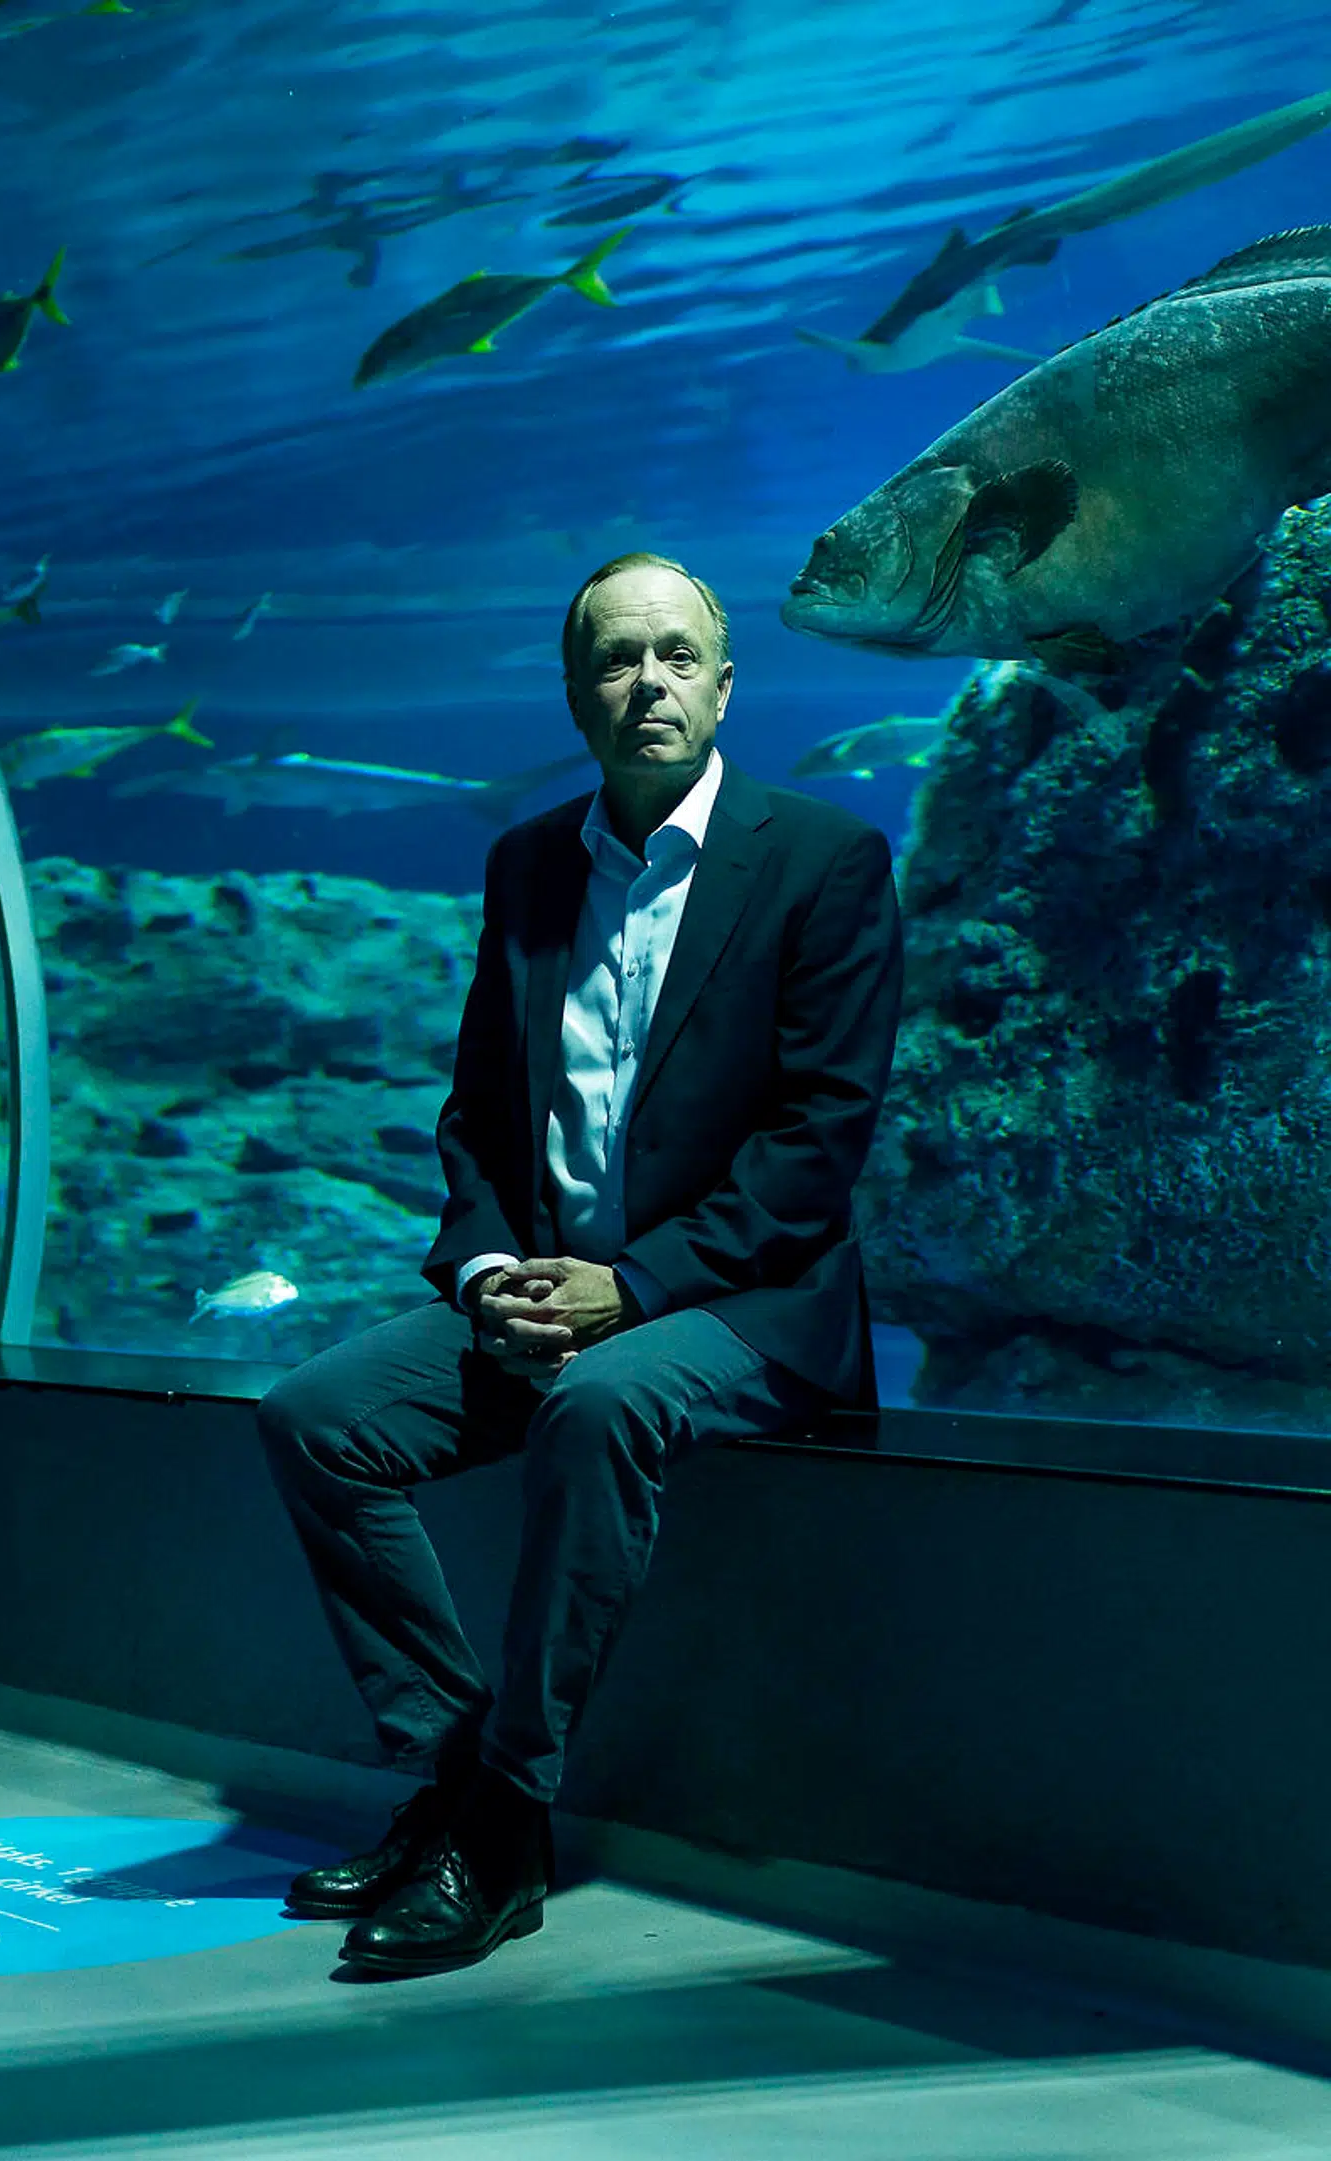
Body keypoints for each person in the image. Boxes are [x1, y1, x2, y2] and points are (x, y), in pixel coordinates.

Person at [256, 551, 904, 1980]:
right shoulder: (527, 862)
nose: (648, 682)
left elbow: (818, 1146)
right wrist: (490, 1274)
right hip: (547, 1294)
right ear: (573, 690)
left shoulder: (822, 863)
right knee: (317, 1421)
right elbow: (480, 1113)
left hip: (742, 1303)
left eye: (678, 655)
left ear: (727, 685)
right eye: (616, 657)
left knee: (601, 1406)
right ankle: (446, 1773)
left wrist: (635, 1289)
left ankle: (506, 1825)